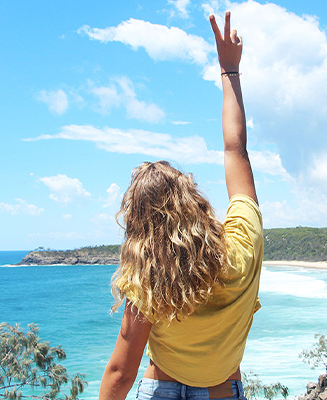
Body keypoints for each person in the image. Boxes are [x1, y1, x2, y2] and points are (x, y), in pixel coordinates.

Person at [99, 11, 262, 400]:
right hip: (222, 390)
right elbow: (235, 149)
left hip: (159, 388)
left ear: (137, 227)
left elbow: (121, 373)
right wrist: (229, 71)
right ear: (194, 201)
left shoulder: (148, 278)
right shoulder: (243, 245)